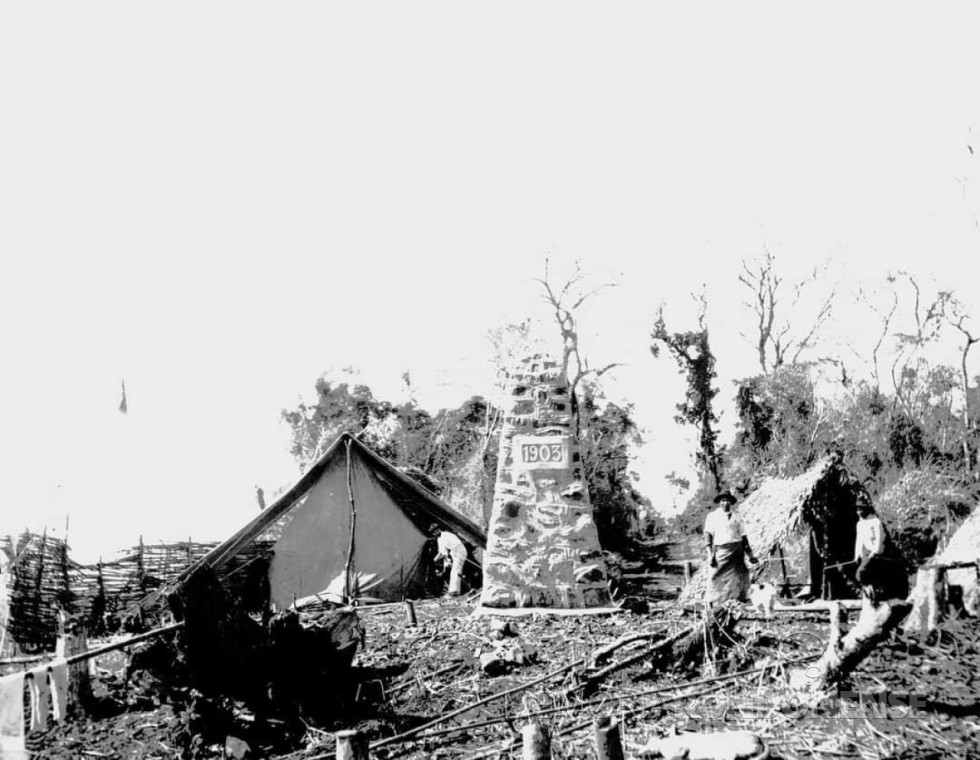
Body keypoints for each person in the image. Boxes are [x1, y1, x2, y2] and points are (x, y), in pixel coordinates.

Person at [852, 488, 907, 603]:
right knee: (863, 576)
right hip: (865, 554)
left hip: (876, 554)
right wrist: (857, 555)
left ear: (866, 509)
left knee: (860, 573)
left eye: (861, 509)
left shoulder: (875, 522)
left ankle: (871, 592)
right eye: (857, 509)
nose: (859, 512)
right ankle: (871, 596)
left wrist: (875, 552)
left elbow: (880, 539)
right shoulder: (860, 524)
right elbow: (859, 541)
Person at [704, 491, 758, 603]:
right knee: (715, 575)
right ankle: (713, 602)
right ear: (719, 502)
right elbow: (708, 536)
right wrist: (710, 555)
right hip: (722, 550)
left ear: (731, 502)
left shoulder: (737, 516)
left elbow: (743, 537)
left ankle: (739, 601)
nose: (725, 503)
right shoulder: (712, 516)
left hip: (737, 549)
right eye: (723, 500)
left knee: (741, 575)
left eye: (728, 500)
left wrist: (751, 555)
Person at [431, 524, 468, 596]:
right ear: (433, 533)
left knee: (456, 571)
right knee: (453, 571)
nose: (436, 532)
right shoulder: (439, 539)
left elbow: (446, 552)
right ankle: (454, 590)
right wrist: (434, 560)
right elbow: (441, 552)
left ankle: (454, 592)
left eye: (437, 529)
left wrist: (446, 558)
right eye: (434, 531)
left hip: (459, 550)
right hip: (454, 552)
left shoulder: (446, 535)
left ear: (439, 529)